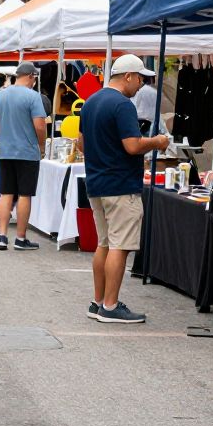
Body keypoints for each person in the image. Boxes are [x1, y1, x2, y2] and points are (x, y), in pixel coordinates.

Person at [79, 55, 170, 325]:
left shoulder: (92, 101)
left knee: (104, 244)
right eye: (140, 78)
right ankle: (110, 305)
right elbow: (132, 145)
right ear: (128, 76)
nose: (141, 84)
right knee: (120, 246)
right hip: (120, 185)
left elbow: (81, 144)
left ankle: (98, 302)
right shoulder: (122, 104)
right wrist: (157, 141)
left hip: (96, 182)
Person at [0, 62, 46, 252]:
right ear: (31, 76)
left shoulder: (1, 95)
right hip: (27, 152)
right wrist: (41, 145)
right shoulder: (33, 96)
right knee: (24, 194)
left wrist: (3, 140)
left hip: (5, 151)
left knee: (6, 192)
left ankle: (2, 236)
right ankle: (20, 238)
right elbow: (40, 126)